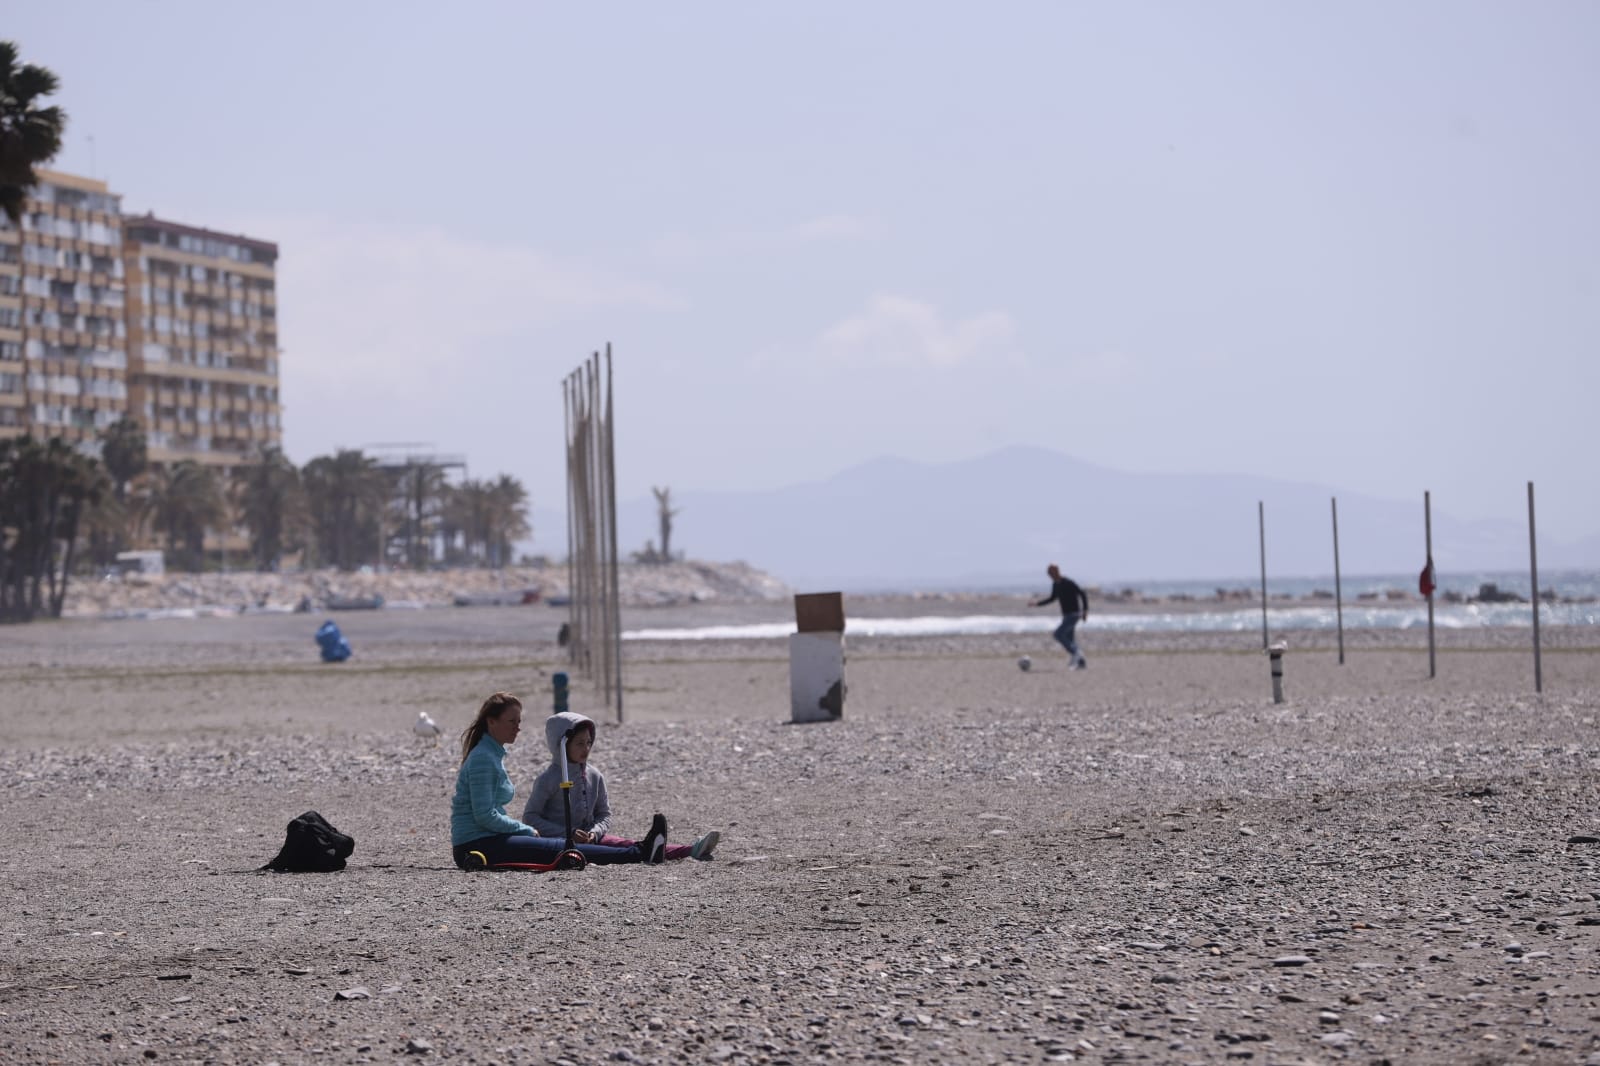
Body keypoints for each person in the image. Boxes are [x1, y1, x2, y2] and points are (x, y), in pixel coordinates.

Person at [450, 692, 665, 870]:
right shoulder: (483, 759)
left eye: (519, 721)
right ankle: (641, 852)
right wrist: (524, 829)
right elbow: (484, 815)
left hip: (489, 839)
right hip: (476, 845)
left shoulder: (491, 754)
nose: (518, 727)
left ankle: (641, 849)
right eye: (511, 721)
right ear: (491, 722)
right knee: (560, 848)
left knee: (558, 845)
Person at [522, 710, 720, 861]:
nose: (586, 749)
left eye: (589, 742)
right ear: (562, 744)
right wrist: (568, 833)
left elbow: (604, 814)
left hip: (593, 839)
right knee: (617, 852)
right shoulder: (547, 779)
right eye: (579, 744)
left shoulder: (594, 775)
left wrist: (595, 832)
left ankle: (690, 850)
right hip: (558, 843)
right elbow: (530, 818)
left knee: (626, 844)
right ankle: (653, 853)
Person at [1032, 563, 1089, 668]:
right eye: (1048, 573)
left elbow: (1082, 593)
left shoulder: (1068, 582)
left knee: (1058, 634)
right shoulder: (1055, 584)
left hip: (1074, 614)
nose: (1049, 575)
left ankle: (1077, 653)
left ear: (1057, 571)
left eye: (1051, 572)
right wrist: (1037, 604)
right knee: (1070, 640)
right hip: (1066, 615)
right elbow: (1052, 598)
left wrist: (1085, 610)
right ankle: (1081, 663)